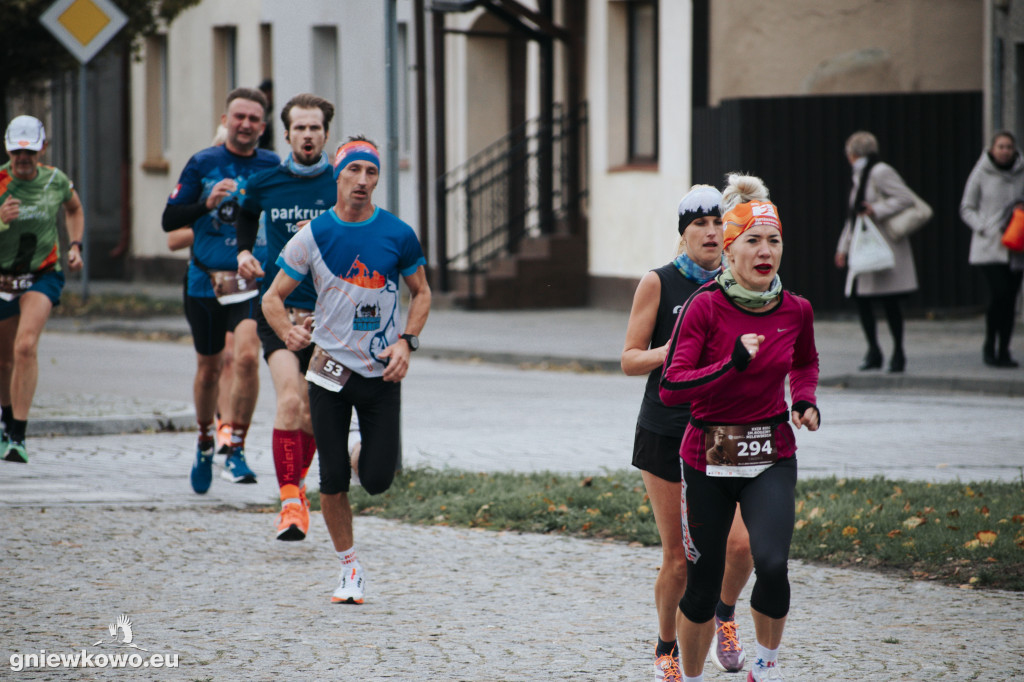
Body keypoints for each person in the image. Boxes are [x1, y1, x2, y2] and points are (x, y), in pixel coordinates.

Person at [660, 174, 820, 682]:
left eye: (774, 240)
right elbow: (671, 386)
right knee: (702, 586)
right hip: (706, 455)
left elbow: (805, 361)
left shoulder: (796, 309)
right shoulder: (704, 306)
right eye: (752, 240)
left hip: (770, 452)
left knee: (771, 564)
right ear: (729, 250)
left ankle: (764, 671)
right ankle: (690, 675)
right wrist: (730, 365)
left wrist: (805, 400)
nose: (765, 251)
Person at [262, 136, 430, 604]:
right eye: (353, 170)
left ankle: (358, 449)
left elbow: (422, 292)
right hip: (329, 371)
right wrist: (288, 333)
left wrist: (407, 341)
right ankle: (349, 569)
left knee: (376, 479)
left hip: (381, 373)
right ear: (337, 176)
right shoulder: (313, 235)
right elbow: (272, 297)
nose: (362, 180)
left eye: (371, 172)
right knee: (332, 477)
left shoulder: (397, 233)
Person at [621, 185, 754, 680]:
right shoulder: (659, 282)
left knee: (739, 547)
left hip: (724, 432)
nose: (712, 232)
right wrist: (672, 350)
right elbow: (629, 359)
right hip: (666, 430)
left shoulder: (737, 284)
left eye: (719, 223)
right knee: (680, 560)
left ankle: (723, 616)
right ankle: (667, 647)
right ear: (684, 232)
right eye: (700, 223)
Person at [162, 87, 280, 493]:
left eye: (253, 118)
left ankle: (237, 448)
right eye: (239, 117)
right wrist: (207, 204)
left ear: (263, 126)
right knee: (210, 368)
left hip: (252, 281)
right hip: (205, 282)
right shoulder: (203, 163)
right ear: (226, 120)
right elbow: (169, 220)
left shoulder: (272, 165)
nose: (245, 124)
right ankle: (204, 441)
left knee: (246, 358)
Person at [236, 93, 338, 541]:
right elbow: (246, 213)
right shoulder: (266, 182)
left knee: (313, 416)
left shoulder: (341, 182)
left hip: (329, 317)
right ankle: (291, 503)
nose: (308, 135)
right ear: (287, 134)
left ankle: (297, 488)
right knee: (291, 400)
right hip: (278, 309)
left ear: (326, 134)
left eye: (315, 128)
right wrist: (244, 251)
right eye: (300, 128)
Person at [0, 115, 84, 463]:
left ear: (43, 149)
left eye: (30, 152)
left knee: (25, 346)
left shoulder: (55, 180)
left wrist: (75, 245)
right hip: (3, 279)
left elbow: (74, 208)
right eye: (17, 152)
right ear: (7, 150)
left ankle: (18, 435)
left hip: (41, 275)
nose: (23, 159)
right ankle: (6, 419)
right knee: (4, 359)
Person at [834, 131, 918, 373]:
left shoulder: (880, 171)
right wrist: (843, 248)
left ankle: (898, 353)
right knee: (862, 299)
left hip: (884, 247)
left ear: (852, 154)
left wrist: (876, 209)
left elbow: (905, 197)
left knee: (890, 302)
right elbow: (853, 216)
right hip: (865, 248)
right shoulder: (860, 175)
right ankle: (874, 351)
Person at [959, 130, 1024, 368]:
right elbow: (967, 207)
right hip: (990, 247)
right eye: (1001, 146)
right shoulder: (981, 172)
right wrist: (983, 226)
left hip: (1016, 246)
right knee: (999, 295)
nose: (1005, 151)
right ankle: (989, 345)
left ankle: (1004, 350)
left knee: (1010, 301)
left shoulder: (1021, 172)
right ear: (992, 149)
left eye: (1009, 147)